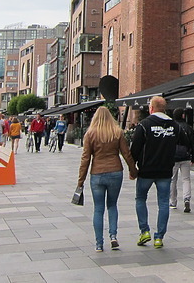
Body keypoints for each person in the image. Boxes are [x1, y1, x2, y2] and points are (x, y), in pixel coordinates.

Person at [78, 106, 137, 252]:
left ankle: (99, 243)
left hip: (97, 174)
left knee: (98, 209)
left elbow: (85, 159)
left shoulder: (90, 134)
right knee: (112, 205)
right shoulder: (117, 132)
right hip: (115, 171)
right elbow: (126, 153)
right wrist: (133, 170)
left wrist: (81, 181)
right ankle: (113, 236)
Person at [131, 95, 183, 249]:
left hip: (146, 170)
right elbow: (184, 142)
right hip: (165, 171)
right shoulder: (175, 126)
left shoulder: (144, 125)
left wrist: (132, 168)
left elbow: (135, 149)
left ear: (151, 108)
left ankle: (144, 231)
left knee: (140, 199)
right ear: (164, 108)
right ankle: (159, 237)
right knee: (164, 203)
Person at [170, 108, 194, 213]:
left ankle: (173, 202)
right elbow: (192, 143)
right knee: (186, 179)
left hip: (173, 156)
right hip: (185, 156)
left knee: (173, 180)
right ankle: (186, 199)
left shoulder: (171, 127)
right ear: (183, 116)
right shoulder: (188, 128)